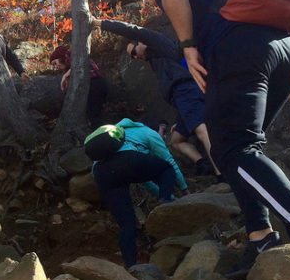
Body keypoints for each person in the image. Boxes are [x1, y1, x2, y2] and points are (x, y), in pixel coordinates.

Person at [154, 0, 290, 277]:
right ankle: (260, 237)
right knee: (239, 150)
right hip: (287, 55)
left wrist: (187, 45)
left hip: (241, 53)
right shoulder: (252, 3)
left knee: (233, 150)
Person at [92, 17, 220, 177]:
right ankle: (203, 163)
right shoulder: (156, 60)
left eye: (133, 52)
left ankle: (221, 171)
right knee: (176, 140)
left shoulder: (158, 43)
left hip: (186, 91)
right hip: (181, 99)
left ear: (142, 43)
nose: (135, 57)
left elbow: (131, 29)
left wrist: (99, 23)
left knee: (202, 129)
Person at [89, 119, 188, 268]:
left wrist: (161, 194)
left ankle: (131, 267)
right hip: (125, 161)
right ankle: (165, 199)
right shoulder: (148, 132)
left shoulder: (112, 133)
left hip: (100, 173)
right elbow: (168, 162)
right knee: (166, 168)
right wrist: (181, 190)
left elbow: (144, 180)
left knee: (126, 225)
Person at [50, 45, 108, 127]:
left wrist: (65, 75)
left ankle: (103, 136)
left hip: (96, 85)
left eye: (55, 63)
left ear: (61, 57)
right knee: (94, 116)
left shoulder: (75, 57)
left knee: (94, 117)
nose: (56, 67)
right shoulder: (70, 64)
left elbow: (82, 65)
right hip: (94, 86)